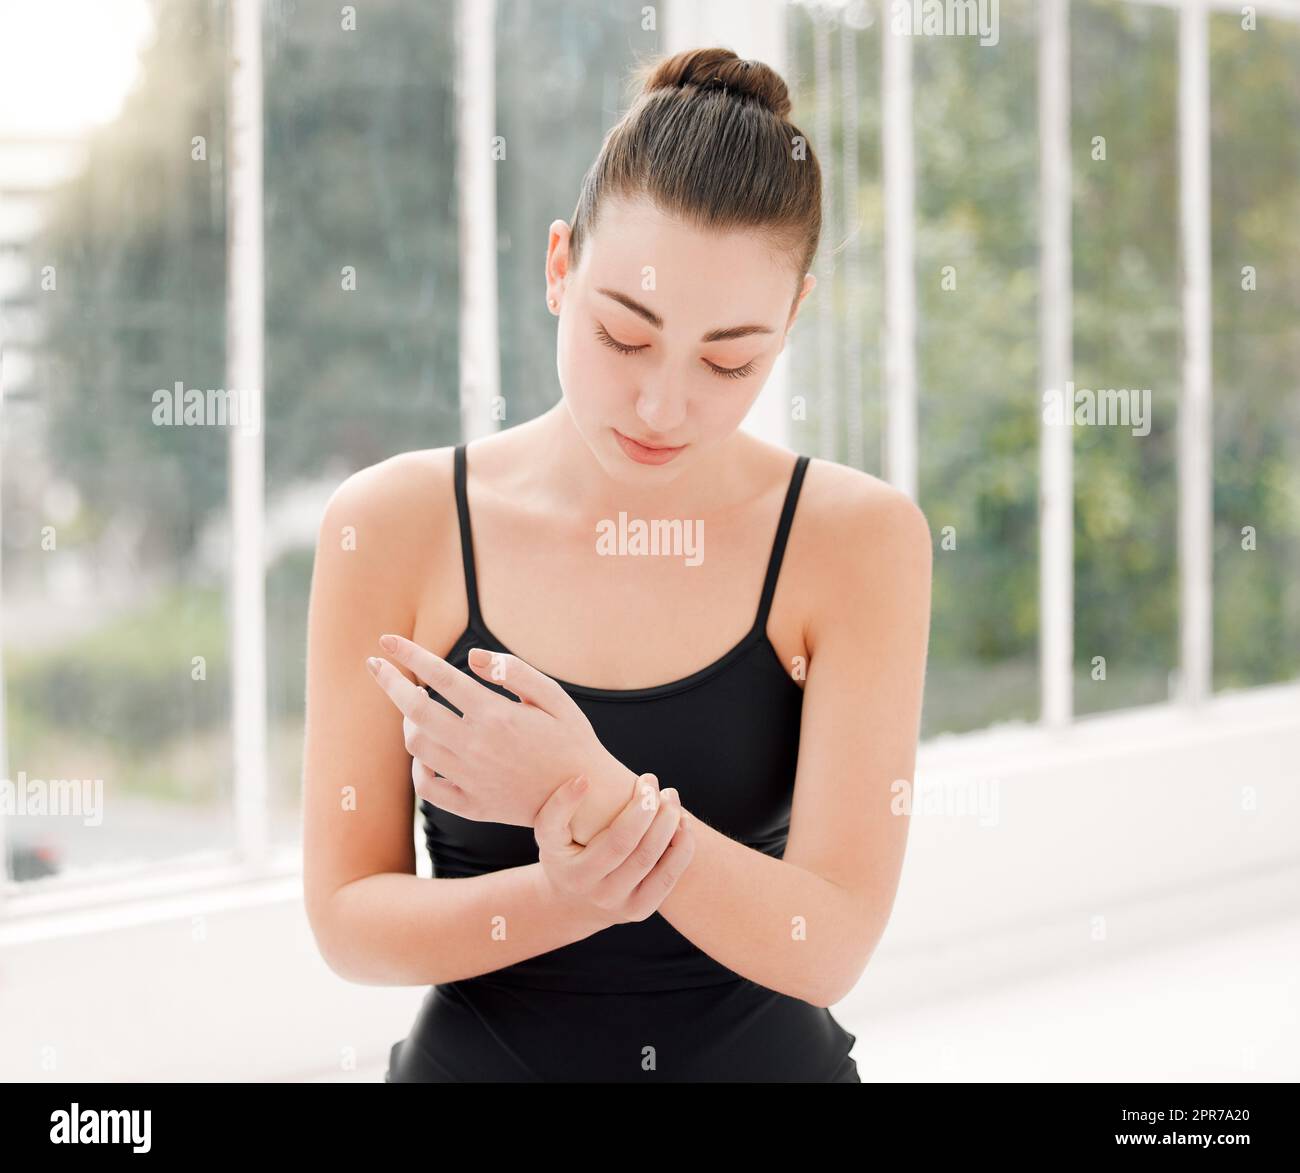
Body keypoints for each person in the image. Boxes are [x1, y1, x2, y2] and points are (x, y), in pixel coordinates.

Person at [302, 46, 931, 1082]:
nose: (661, 406)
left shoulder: (856, 540)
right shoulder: (397, 522)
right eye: (623, 335)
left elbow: (829, 946)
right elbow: (347, 918)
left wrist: (583, 790)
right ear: (559, 266)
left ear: (791, 323)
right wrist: (568, 893)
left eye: (730, 360)